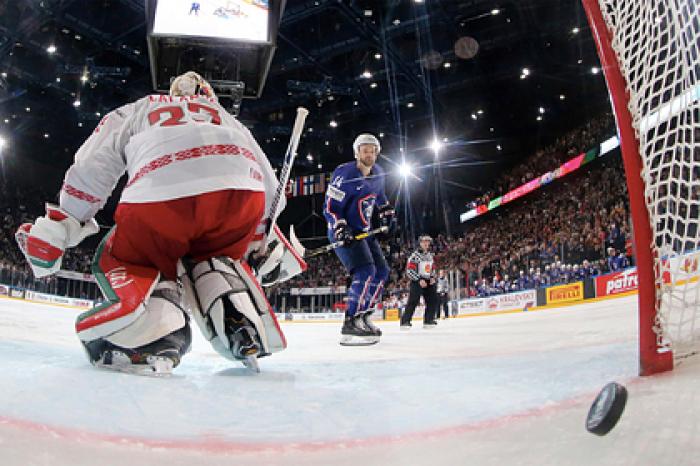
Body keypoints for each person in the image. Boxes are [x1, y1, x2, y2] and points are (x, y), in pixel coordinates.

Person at [15, 71, 305, 375]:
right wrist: (259, 237)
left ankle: (155, 333)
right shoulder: (224, 116)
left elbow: (95, 164)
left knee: (133, 256)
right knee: (213, 256)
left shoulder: (142, 106)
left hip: (164, 188)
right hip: (241, 193)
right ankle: (236, 309)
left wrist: (68, 218)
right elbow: (271, 188)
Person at [322, 133, 395, 346]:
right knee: (365, 271)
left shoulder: (379, 173)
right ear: (357, 152)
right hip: (343, 231)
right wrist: (340, 226)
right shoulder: (345, 173)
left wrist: (387, 211)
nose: (369, 154)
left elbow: (380, 197)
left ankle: (363, 315)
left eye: (373, 150)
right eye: (365, 150)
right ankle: (350, 321)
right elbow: (329, 207)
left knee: (382, 271)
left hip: (364, 231)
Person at [400, 235, 439, 329]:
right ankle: (405, 321)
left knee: (432, 300)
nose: (426, 244)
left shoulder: (430, 255)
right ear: (420, 243)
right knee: (413, 301)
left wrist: (433, 277)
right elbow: (409, 270)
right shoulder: (415, 256)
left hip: (428, 280)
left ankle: (429, 320)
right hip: (417, 280)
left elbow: (432, 268)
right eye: (424, 242)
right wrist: (418, 279)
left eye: (428, 242)